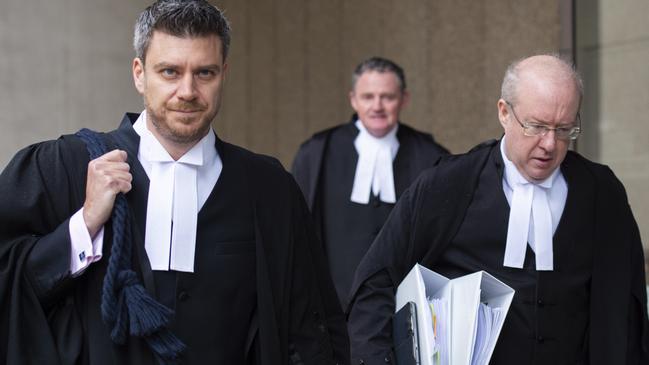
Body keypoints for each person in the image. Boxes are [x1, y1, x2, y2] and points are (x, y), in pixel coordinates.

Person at [0, 1, 349, 364]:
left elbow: (310, 327)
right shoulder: (66, 168)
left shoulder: (269, 190)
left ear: (224, 74)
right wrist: (84, 224)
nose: (187, 91)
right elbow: (12, 282)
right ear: (139, 73)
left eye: (205, 73)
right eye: (169, 72)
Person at [346, 54, 649, 364]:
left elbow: (628, 306)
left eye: (564, 130)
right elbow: (375, 282)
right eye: (536, 126)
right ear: (504, 113)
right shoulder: (449, 184)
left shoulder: (601, 192)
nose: (549, 144)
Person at [291, 57, 448, 309]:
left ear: (404, 99)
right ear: (353, 99)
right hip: (332, 308)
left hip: (404, 307)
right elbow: (294, 233)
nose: (377, 106)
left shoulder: (431, 156)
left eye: (387, 97)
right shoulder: (316, 154)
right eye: (367, 97)